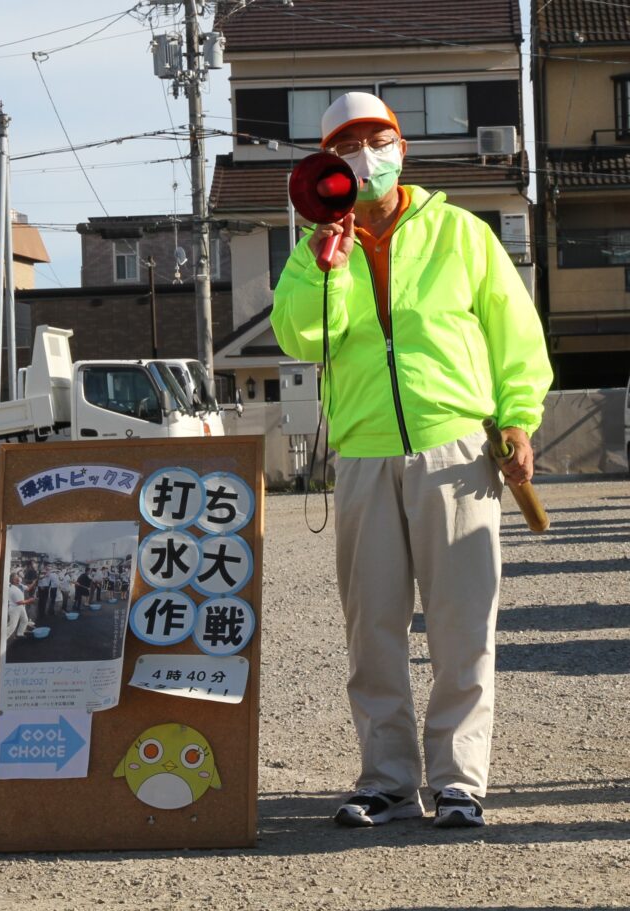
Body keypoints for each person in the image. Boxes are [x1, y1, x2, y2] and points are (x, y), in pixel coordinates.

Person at [271, 93, 552, 829]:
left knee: (462, 622)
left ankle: (461, 780)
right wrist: (324, 263)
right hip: (363, 452)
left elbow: (514, 333)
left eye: (378, 139)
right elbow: (301, 338)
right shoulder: (313, 247)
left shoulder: (460, 232)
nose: (367, 154)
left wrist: (519, 418)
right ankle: (388, 780)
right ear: (331, 160)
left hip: (457, 445)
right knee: (374, 627)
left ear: (402, 147)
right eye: (349, 144)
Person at [5, 572, 36, 640]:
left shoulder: (19, 585)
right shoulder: (12, 589)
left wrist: (34, 582)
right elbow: (19, 602)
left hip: (21, 607)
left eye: (18, 577)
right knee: (12, 626)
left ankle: (20, 634)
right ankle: (3, 639)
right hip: (15, 608)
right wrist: (30, 600)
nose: (18, 579)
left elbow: (27, 588)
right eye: (16, 578)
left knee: (25, 620)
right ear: (13, 580)